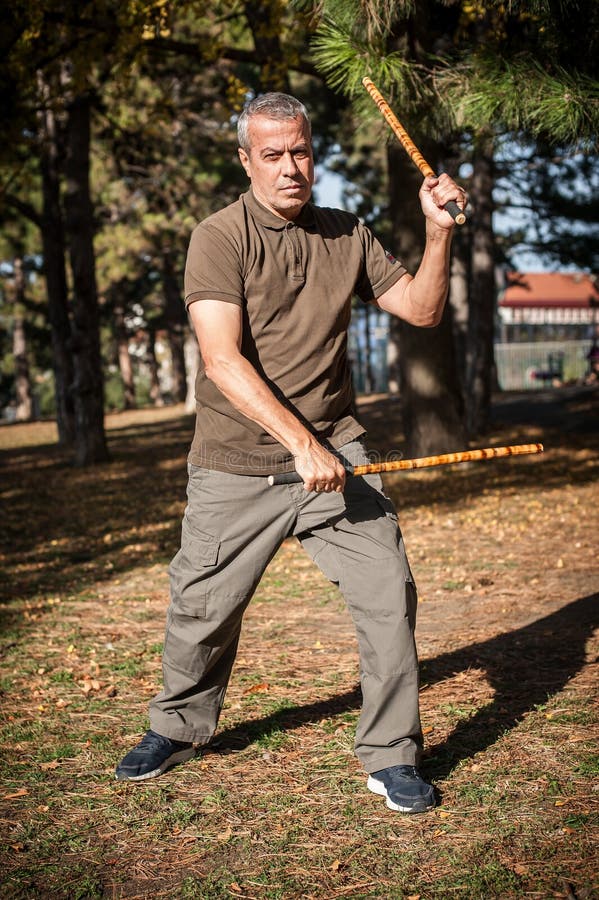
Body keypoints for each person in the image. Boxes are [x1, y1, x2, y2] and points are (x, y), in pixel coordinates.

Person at [115, 92, 467, 814]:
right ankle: (177, 725)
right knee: (201, 609)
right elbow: (221, 360)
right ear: (246, 161)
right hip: (236, 461)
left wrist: (438, 234)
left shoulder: (347, 233)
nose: (288, 168)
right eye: (271, 155)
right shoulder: (220, 236)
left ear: (314, 154)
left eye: (300, 152)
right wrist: (300, 444)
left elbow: (423, 311)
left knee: (387, 594)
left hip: (335, 453)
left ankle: (391, 754)